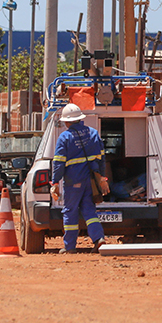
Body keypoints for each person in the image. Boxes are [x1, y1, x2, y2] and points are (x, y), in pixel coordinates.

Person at [51, 103, 107, 254]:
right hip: (91, 180)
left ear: (67, 121)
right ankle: (98, 238)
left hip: (73, 181)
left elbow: (59, 162)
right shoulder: (94, 133)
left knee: (70, 211)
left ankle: (69, 247)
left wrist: (55, 181)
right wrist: (101, 178)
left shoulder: (65, 137)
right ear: (80, 119)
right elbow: (102, 158)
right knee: (89, 211)